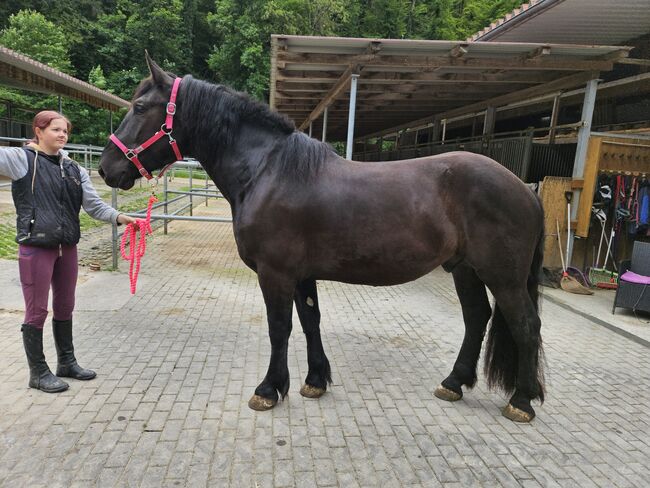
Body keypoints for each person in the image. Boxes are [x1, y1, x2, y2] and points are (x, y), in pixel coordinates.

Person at [0, 110, 137, 393]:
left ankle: (67, 362)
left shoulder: (75, 169)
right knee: (37, 310)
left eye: (65, 131)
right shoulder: (21, 159)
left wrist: (122, 217)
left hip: (67, 247)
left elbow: (94, 206)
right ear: (38, 131)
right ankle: (38, 373)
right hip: (36, 246)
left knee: (65, 306)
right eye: (56, 130)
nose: (62, 135)